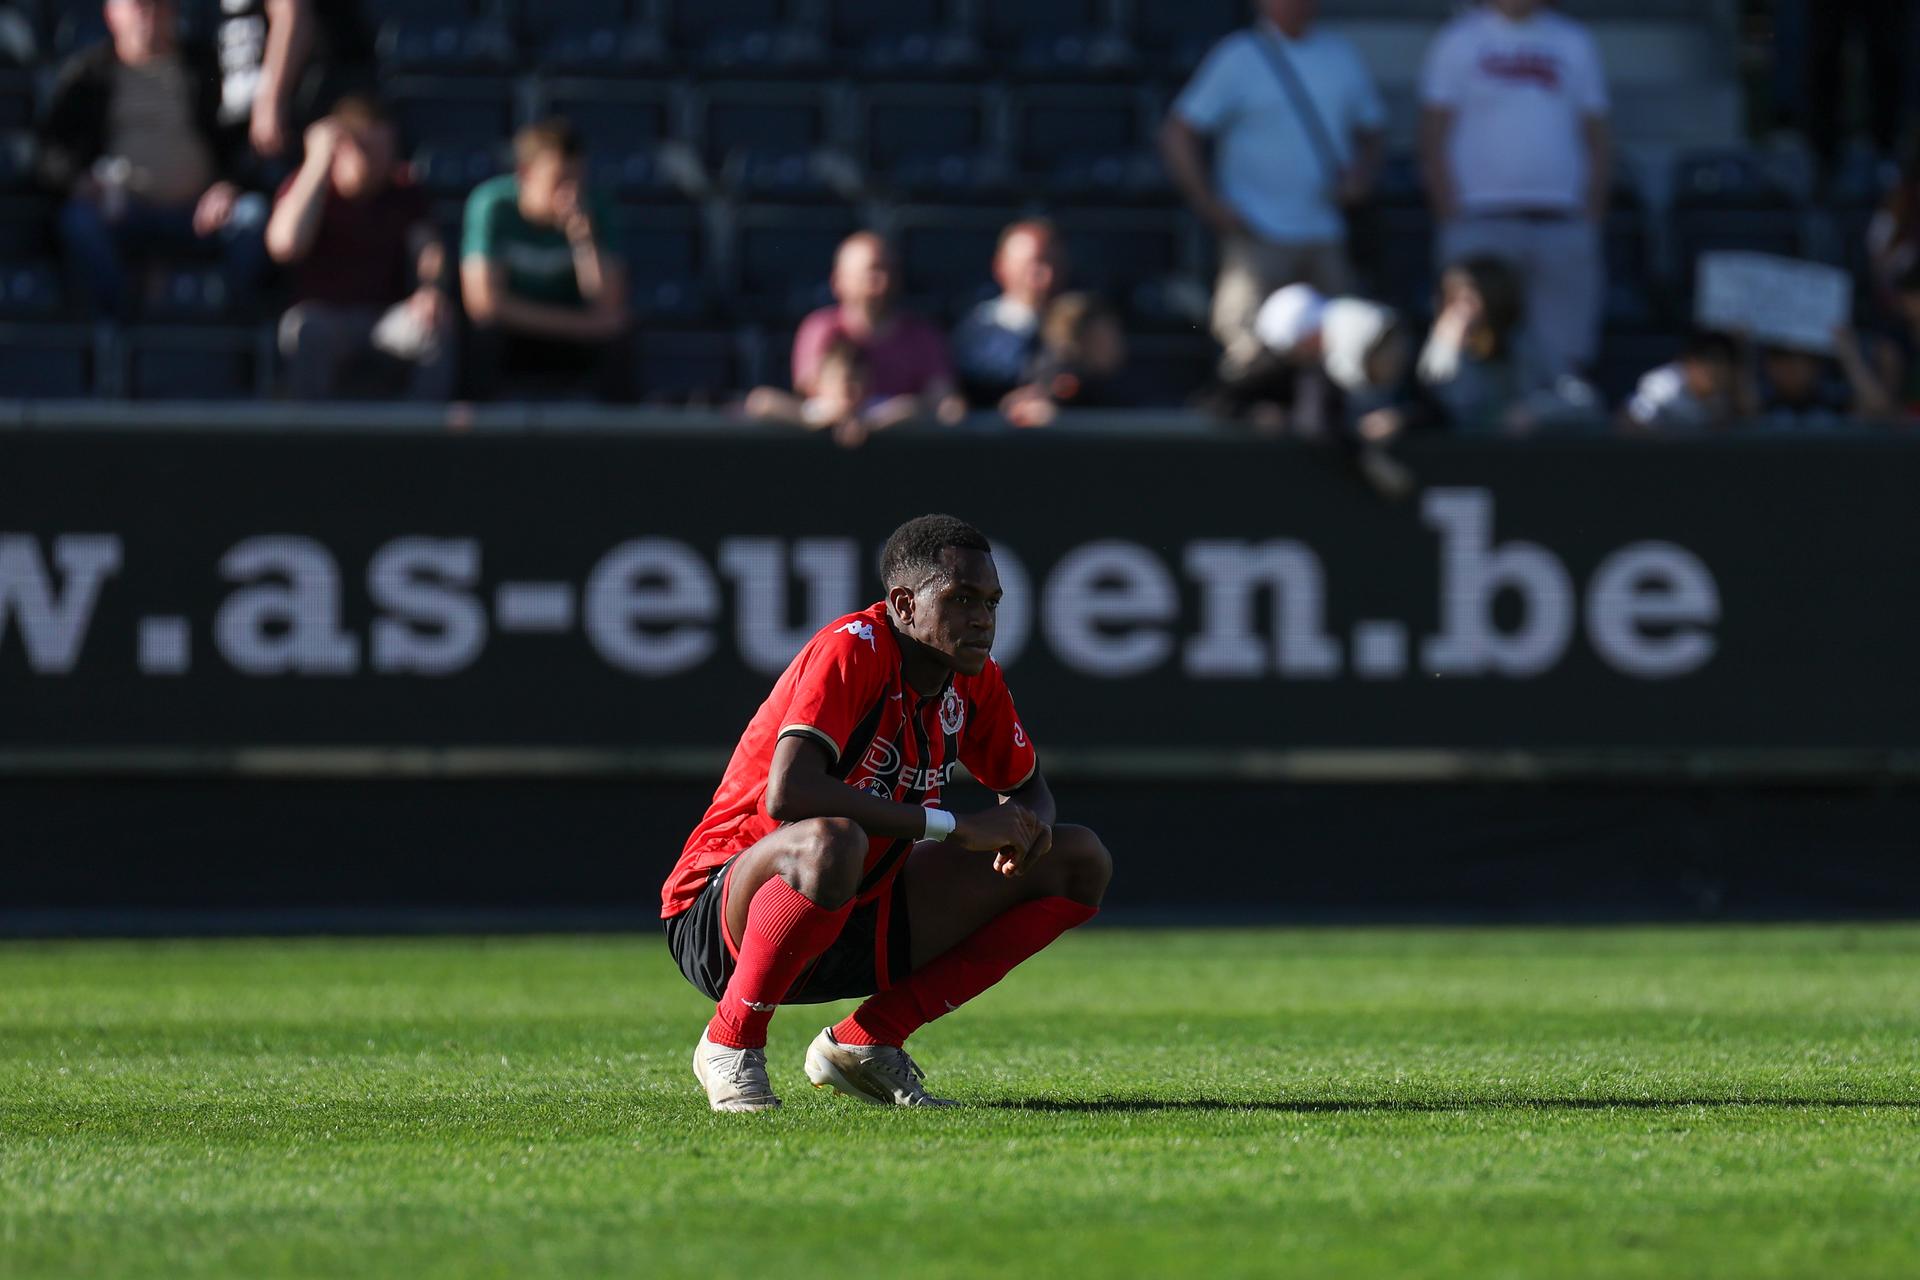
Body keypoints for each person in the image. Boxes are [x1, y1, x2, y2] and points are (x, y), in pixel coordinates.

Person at [662, 515, 1112, 1111]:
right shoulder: (853, 648)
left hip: (862, 907)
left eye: (992, 603)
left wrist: (1024, 832)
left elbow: (1031, 792)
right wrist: (958, 828)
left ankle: (865, 1042)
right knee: (832, 841)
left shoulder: (974, 680)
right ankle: (730, 1041)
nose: (983, 619)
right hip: (723, 917)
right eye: (961, 600)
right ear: (903, 603)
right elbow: (789, 792)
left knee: (1078, 860)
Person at [1159, 0, 1386, 378]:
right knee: (1246, 352)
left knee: (1344, 353)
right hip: (1255, 233)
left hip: (1325, 232)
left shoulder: (1342, 56)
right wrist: (1208, 202)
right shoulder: (1237, 57)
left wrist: (1361, 178)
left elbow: (1373, 132)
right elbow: (1179, 133)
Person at [38, 0, 269, 318]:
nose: (150, 16)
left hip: (199, 214)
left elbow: (241, 141)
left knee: (252, 217)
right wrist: (81, 182)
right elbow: (51, 154)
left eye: (160, 6)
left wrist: (228, 185)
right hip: (123, 212)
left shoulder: (204, 67)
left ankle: (229, 328)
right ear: (111, 14)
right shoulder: (88, 76)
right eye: (139, 6)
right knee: (78, 221)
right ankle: (117, 328)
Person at [1419, 0, 1611, 380]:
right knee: (1468, 347)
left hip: (1562, 219)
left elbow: (1598, 135)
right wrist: (1449, 213)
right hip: (1479, 218)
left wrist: (1591, 214)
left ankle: (1557, 424)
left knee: (1564, 354)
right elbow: (1431, 135)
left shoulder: (1574, 41)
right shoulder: (1458, 41)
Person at [265, 95, 453, 400]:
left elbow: (428, 249)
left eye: (386, 150)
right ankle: (305, 438)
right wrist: (317, 162)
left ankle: (424, 436)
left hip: (382, 320)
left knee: (434, 323)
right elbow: (286, 245)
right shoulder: (306, 188)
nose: (381, 161)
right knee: (303, 328)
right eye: (369, 150)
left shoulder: (403, 190)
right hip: (325, 318)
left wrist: (430, 289)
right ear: (340, 148)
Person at [460, 119, 630, 402]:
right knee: (482, 337)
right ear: (525, 174)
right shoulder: (492, 205)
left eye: (578, 180)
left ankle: (620, 437)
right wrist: (583, 325)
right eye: (560, 181)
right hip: (516, 337)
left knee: (620, 341)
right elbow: (484, 305)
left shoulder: (597, 207)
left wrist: (584, 241)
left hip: (573, 342)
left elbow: (609, 306)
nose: (571, 194)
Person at [792, 231, 964, 425]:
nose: (883, 280)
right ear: (838, 280)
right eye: (872, 271)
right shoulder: (819, 329)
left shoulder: (923, 335)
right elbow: (813, 400)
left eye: (889, 270)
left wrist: (895, 415)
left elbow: (944, 401)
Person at [1416, 255, 1563, 434]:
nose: (1462, 312)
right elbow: (1454, 406)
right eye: (1453, 300)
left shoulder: (1527, 343)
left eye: (1470, 300)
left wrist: (1533, 411)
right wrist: (1446, 346)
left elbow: (1580, 400)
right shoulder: (1442, 347)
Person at [951, 219, 1066, 407]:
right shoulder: (977, 329)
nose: (1047, 275)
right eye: (1034, 264)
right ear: (1001, 267)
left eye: (1054, 262)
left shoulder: (1083, 323)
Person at [744, 338, 919, 447]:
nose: (847, 387)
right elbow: (759, 400)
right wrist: (813, 422)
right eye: (839, 380)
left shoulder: (872, 409)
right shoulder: (815, 411)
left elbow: (912, 408)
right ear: (820, 384)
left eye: (856, 379)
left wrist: (867, 424)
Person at [1000, 292, 1130, 427]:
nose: (1116, 344)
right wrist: (1044, 410)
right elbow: (1038, 404)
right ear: (1082, 341)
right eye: (1105, 339)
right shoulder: (1065, 377)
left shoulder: (1118, 381)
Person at [1751, 330, 1891, 431]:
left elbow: (1879, 412)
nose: (1789, 368)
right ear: (1767, 365)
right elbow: (1746, 412)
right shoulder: (1761, 400)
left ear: (1814, 365)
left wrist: (1849, 355)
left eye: (1798, 358)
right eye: (1780, 358)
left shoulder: (1835, 399)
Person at [1621, 332, 1745, 434]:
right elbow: (1630, 421)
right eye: (1711, 361)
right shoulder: (1663, 385)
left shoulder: (1722, 397)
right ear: (1691, 361)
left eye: (1723, 364)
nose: (1717, 370)